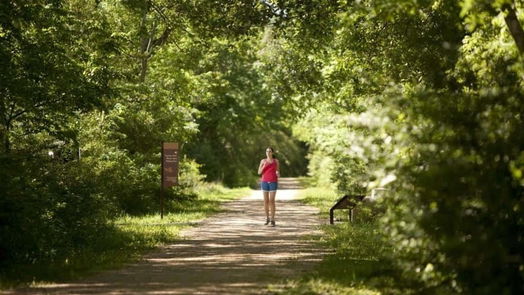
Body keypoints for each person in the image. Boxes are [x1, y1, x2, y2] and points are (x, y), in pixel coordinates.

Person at [258, 146, 280, 226]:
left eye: (270, 151)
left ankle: (273, 219)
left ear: (272, 152)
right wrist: (264, 165)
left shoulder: (276, 161)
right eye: (267, 151)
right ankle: (267, 218)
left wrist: (278, 173)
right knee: (266, 201)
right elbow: (259, 172)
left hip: (273, 182)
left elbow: (277, 171)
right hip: (264, 182)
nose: (268, 152)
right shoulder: (263, 161)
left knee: (272, 201)